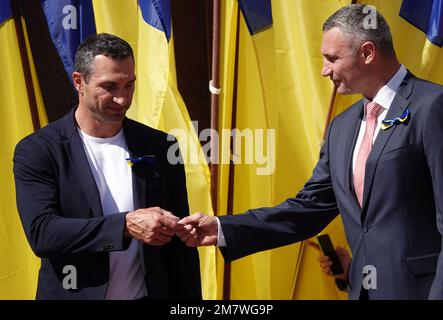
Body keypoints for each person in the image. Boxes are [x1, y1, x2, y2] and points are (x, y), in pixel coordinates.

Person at [177, 4, 443, 300]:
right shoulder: (341, 128)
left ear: (367, 53)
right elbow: (307, 209)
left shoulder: (432, 106)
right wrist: (222, 227)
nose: (324, 70)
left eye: (332, 59)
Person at [13, 33, 201, 300]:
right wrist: (124, 225)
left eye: (129, 86)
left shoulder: (160, 145)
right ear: (79, 81)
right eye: (110, 86)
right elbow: (43, 233)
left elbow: (180, 247)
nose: (123, 99)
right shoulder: (38, 150)